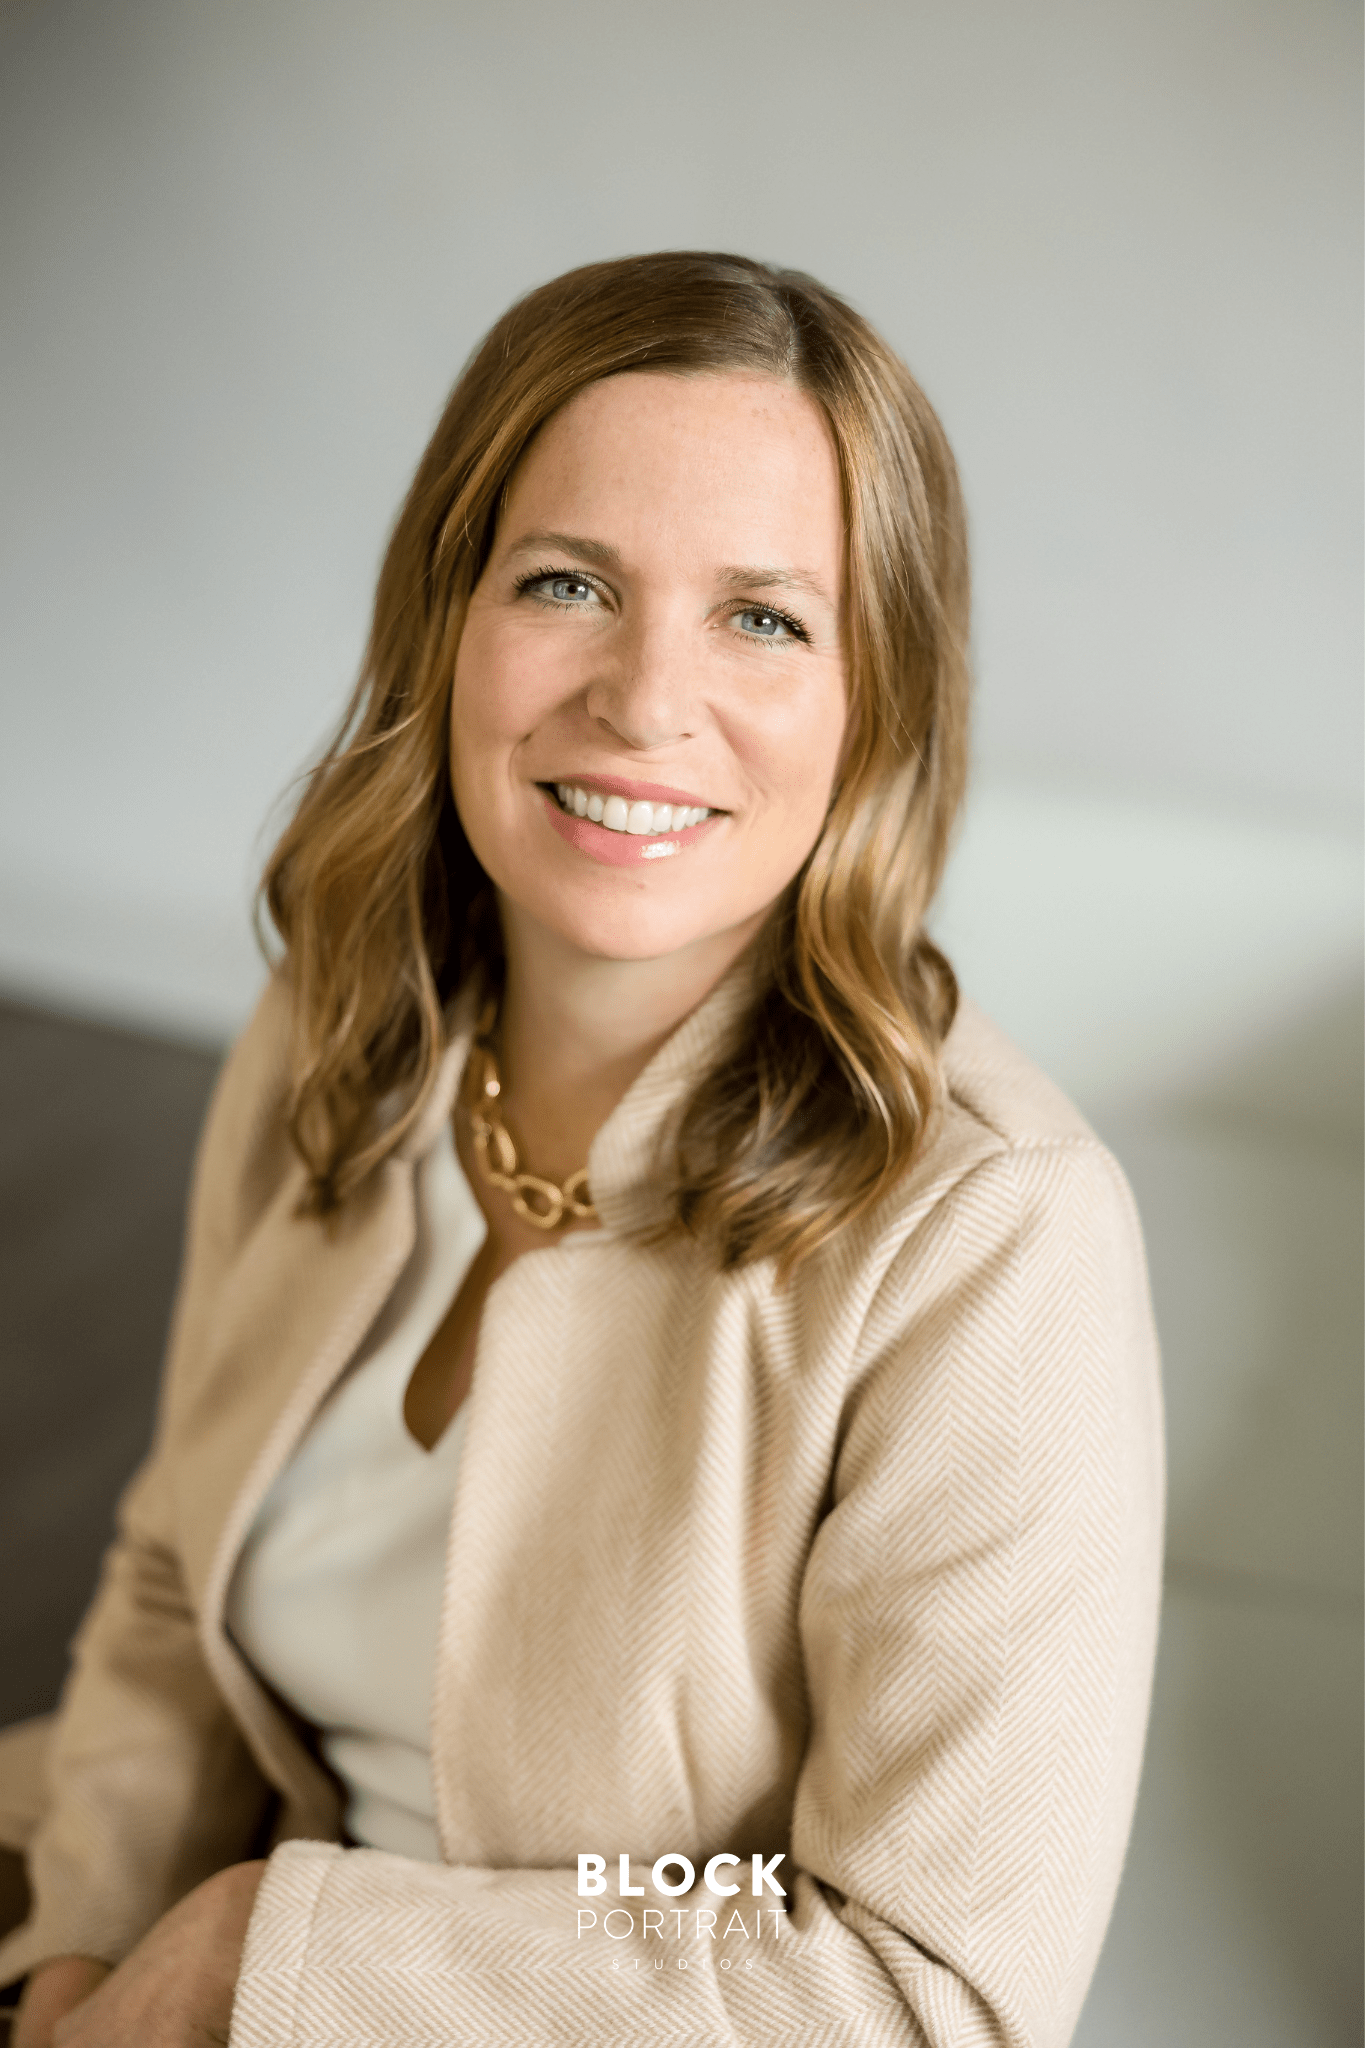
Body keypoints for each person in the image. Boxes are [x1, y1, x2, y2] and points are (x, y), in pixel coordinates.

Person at [1, 251, 1163, 2047]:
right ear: (445, 624)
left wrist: (270, 1960)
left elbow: (917, 1985)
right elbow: (171, 1575)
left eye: (764, 618)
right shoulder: (343, 1023)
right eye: (568, 585)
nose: (641, 699)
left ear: (876, 704)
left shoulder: (1000, 1243)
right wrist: (82, 1962)